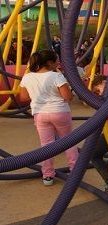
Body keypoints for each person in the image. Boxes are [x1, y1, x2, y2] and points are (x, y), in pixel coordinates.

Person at [18, 49, 78, 186]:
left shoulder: (27, 77)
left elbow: (23, 97)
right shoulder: (56, 76)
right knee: (69, 142)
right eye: (56, 60)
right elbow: (67, 97)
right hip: (60, 112)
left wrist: (37, 95)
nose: (58, 62)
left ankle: (48, 175)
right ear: (49, 63)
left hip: (40, 114)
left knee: (46, 146)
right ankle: (75, 172)